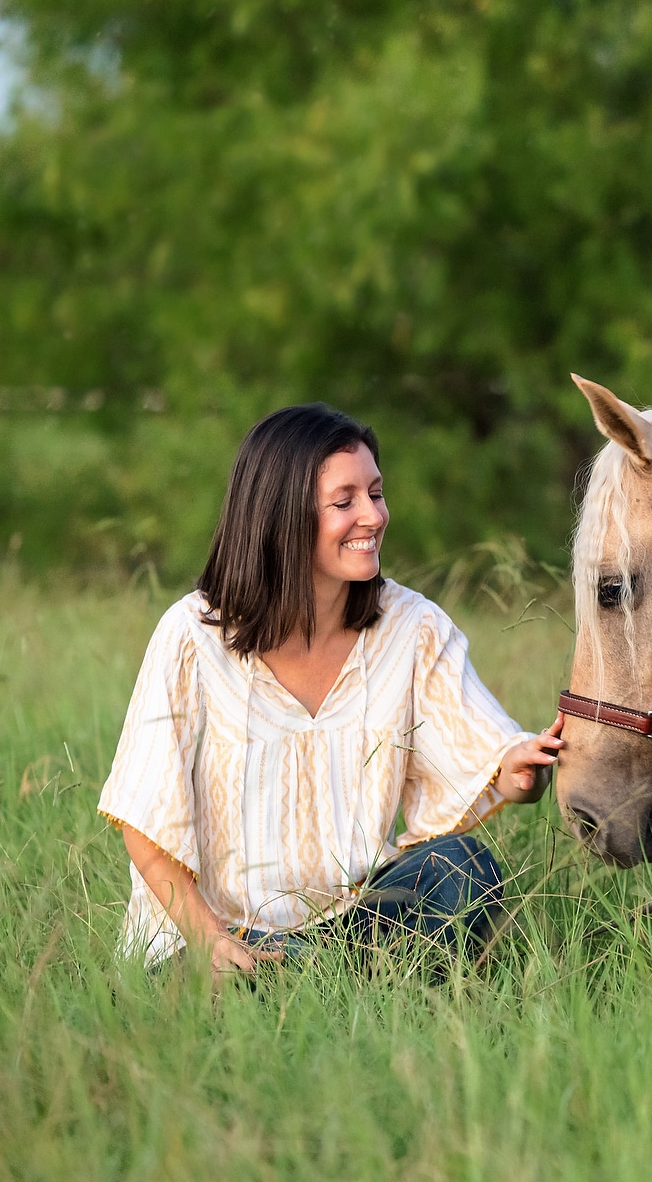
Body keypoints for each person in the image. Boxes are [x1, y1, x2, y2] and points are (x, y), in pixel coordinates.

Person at [97, 404, 564, 980]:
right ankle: (314, 985)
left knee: (459, 868)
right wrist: (211, 941)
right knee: (212, 982)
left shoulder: (412, 627)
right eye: (344, 502)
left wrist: (518, 768)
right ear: (279, 517)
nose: (373, 515)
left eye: (376, 492)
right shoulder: (192, 636)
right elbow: (145, 824)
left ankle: (320, 983)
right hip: (214, 936)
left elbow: (489, 752)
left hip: (353, 925)